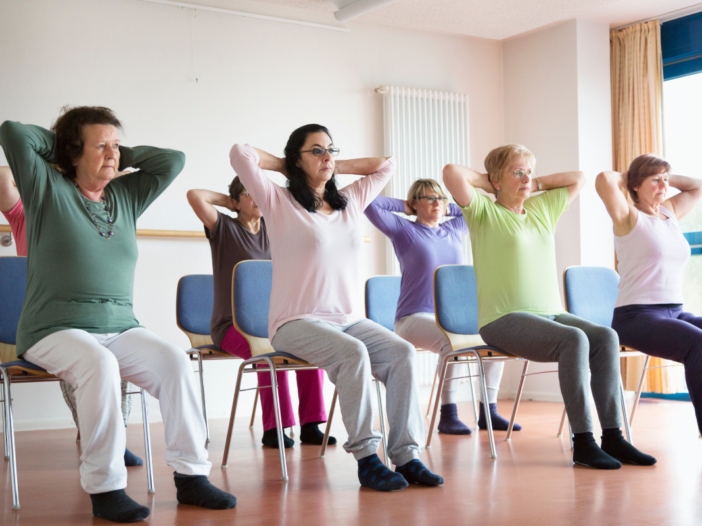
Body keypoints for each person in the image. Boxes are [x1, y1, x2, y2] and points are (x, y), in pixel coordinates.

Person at [0, 107, 236, 523]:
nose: (112, 154)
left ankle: (192, 477)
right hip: (51, 328)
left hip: (121, 326)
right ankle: (106, 487)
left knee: (174, 363)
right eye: (101, 146)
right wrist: (65, 148)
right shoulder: (46, 187)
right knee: (100, 365)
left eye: (117, 145)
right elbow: (13, 133)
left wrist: (115, 152)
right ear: (73, 151)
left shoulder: (126, 195)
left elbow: (172, 160)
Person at [230, 124, 443, 492]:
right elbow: (240, 153)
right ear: (297, 158)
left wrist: (328, 163)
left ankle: (407, 456)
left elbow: (386, 165)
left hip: (347, 320)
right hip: (294, 323)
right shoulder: (278, 201)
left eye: (331, 149)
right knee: (353, 353)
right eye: (316, 150)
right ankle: (367, 459)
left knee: (402, 352)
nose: (327, 156)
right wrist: (287, 165)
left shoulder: (349, 202)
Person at [443, 144, 657, 469]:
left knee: (606, 337)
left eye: (529, 171)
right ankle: (583, 442)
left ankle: (613, 437)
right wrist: (491, 183)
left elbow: (579, 178)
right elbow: (452, 173)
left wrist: (531, 182)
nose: (526, 178)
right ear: (496, 180)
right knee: (573, 340)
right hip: (502, 318)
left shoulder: (543, 208)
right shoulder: (483, 211)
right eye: (518, 172)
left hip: (552, 313)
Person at [0, 165, 143, 467]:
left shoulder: (94, 212)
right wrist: (59, 165)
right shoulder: (30, 211)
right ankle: (99, 437)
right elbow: (3, 175)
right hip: (45, 320)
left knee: (114, 358)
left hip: (89, 314)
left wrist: (104, 175)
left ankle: (115, 435)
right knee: (83, 357)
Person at [187, 177, 335, 449]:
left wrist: (260, 197)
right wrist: (230, 201)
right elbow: (195, 195)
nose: (256, 198)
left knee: (306, 348)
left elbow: (301, 204)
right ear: (236, 201)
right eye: (248, 194)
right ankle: (275, 428)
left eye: (259, 193)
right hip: (230, 326)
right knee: (267, 355)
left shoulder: (274, 228)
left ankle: (311, 425)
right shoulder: (223, 228)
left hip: (274, 323)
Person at [364, 178, 520, 434]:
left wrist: (446, 205)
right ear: (415, 202)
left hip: (453, 318)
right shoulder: (404, 231)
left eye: (441, 198)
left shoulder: (455, 229)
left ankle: (488, 413)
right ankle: (448, 415)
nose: (438, 203)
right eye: (429, 198)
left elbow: (478, 205)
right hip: (413, 318)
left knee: (497, 339)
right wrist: (406, 207)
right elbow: (369, 203)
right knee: (451, 343)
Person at [596, 154, 702, 436]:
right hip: (635, 316)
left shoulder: (668, 213)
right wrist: (632, 176)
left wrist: (663, 176)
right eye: (654, 180)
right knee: (698, 344)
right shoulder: (628, 216)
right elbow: (604, 180)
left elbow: (697, 187)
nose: (663, 186)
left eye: (665, 180)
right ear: (634, 185)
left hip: (674, 311)